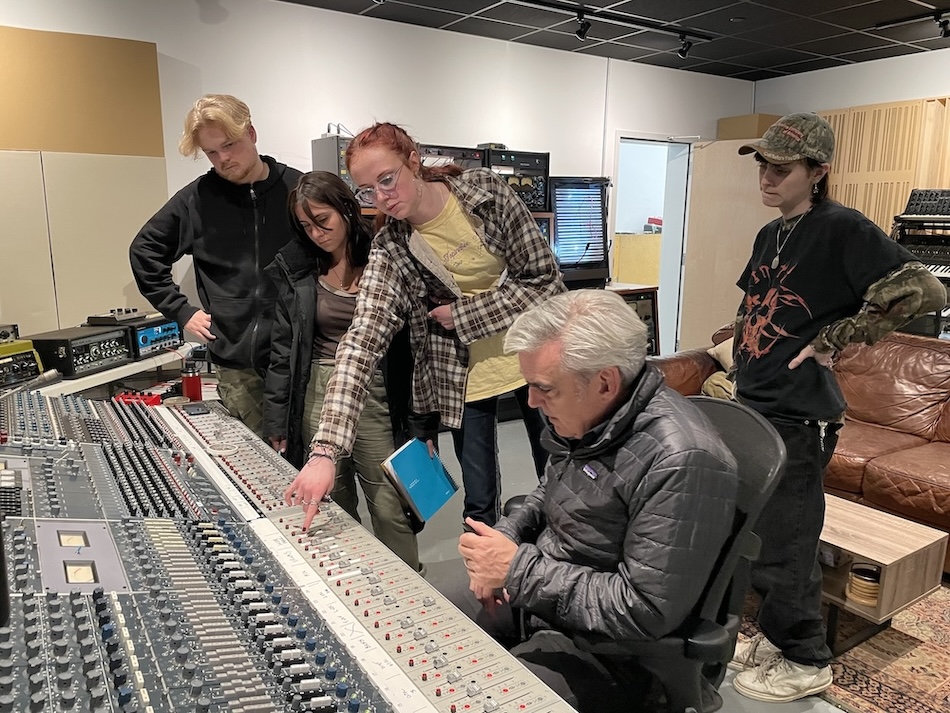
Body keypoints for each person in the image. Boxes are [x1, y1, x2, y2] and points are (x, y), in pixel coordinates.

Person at [728, 112, 947, 703]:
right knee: (759, 536)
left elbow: (923, 289)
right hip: (756, 403)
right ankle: (776, 638)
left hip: (799, 416)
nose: (768, 178)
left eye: (783, 168)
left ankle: (807, 657)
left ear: (818, 172)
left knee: (791, 542)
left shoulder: (842, 227)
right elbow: (759, 305)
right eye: (764, 166)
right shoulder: (770, 233)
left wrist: (837, 338)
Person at [454, 289, 738, 712]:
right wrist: (503, 538)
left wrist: (516, 570)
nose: (530, 401)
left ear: (605, 381)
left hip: (619, 654)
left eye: (543, 388)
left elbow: (643, 609)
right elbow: (551, 489)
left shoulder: (682, 460)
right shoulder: (595, 416)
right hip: (553, 599)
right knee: (429, 625)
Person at [283, 122, 564, 530]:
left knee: (561, 479)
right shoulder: (391, 247)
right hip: (467, 380)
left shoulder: (485, 193)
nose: (382, 197)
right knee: (480, 503)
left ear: (413, 161)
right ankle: (490, 586)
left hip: (537, 359)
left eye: (387, 179)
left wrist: (463, 315)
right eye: (367, 190)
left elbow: (545, 281)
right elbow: (361, 342)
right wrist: (324, 451)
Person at [262, 171, 420, 571]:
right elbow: (284, 352)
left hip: (376, 392)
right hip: (317, 388)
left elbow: (417, 346)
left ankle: (409, 589)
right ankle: (351, 589)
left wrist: (423, 421)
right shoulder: (297, 270)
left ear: (347, 211)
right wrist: (276, 420)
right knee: (336, 500)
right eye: (305, 226)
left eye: (322, 221)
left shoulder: (386, 257)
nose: (315, 233)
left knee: (388, 501)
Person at [130, 94, 302, 436]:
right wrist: (181, 311)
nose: (223, 158)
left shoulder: (297, 189)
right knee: (258, 468)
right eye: (211, 152)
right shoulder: (196, 199)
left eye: (230, 145)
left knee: (313, 465)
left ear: (251, 133)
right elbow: (144, 251)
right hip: (238, 365)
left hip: (300, 356)